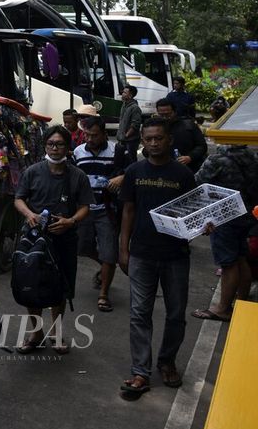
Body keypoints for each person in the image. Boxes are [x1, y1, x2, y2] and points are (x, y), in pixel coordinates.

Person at [118, 117, 198, 401]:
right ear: (142, 141)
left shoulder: (184, 175)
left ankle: (166, 361)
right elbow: (128, 211)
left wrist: (202, 226)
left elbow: (194, 213)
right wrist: (123, 249)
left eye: (158, 138)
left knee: (176, 314)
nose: (153, 143)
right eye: (148, 139)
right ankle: (141, 371)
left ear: (169, 140)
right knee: (140, 313)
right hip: (141, 254)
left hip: (175, 255)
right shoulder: (134, 171)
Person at [14, 125, 93, 354]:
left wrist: (70, 221)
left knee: (61, 287)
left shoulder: (77, 175)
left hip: (64, 240)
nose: (55, 148)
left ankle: (57, 334)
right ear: (45, 145)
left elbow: (85, 207)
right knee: (31, 284)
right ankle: (36, 332)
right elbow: (19, 199)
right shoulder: (33, 171)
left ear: (68, 148)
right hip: (35, 240)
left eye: (60, 144)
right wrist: (30, 215)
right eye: (51, 144)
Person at [191, 145, 258, 322]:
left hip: (222, 216)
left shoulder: (217, 159)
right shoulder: (252, 156)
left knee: (228, 263)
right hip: (246, 214)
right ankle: (242, 301)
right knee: (241, 257)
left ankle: (223, 308)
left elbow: (196, 183)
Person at [73, 116, 126, 312]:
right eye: (87, 135)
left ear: (104, 133)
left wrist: (122, 177)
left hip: (108, 209)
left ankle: (103, 293)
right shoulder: (78, 152)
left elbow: (133, 171)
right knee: (83, 247)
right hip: (85, 208)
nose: (89, 139)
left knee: (109, 252)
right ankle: (106, 264)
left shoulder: (117, 151)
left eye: (94, 135)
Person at [155, 98, 207, 172]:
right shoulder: (155, 127)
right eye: (161, 115)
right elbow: (146, 149)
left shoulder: (188, 125)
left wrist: (190, 157)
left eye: (167, 114)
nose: (164, 117)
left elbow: (202, 146)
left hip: (189, 168)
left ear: (174, 112)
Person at [118, 85, 143, 163]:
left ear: (130, 95)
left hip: (131, 141)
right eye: (123, 92)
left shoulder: (135, 108)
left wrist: (126, 135)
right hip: (122, 139)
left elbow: (135, 124)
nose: (122, 94)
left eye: (125, 92)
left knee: (131, 160)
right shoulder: (124, 105)